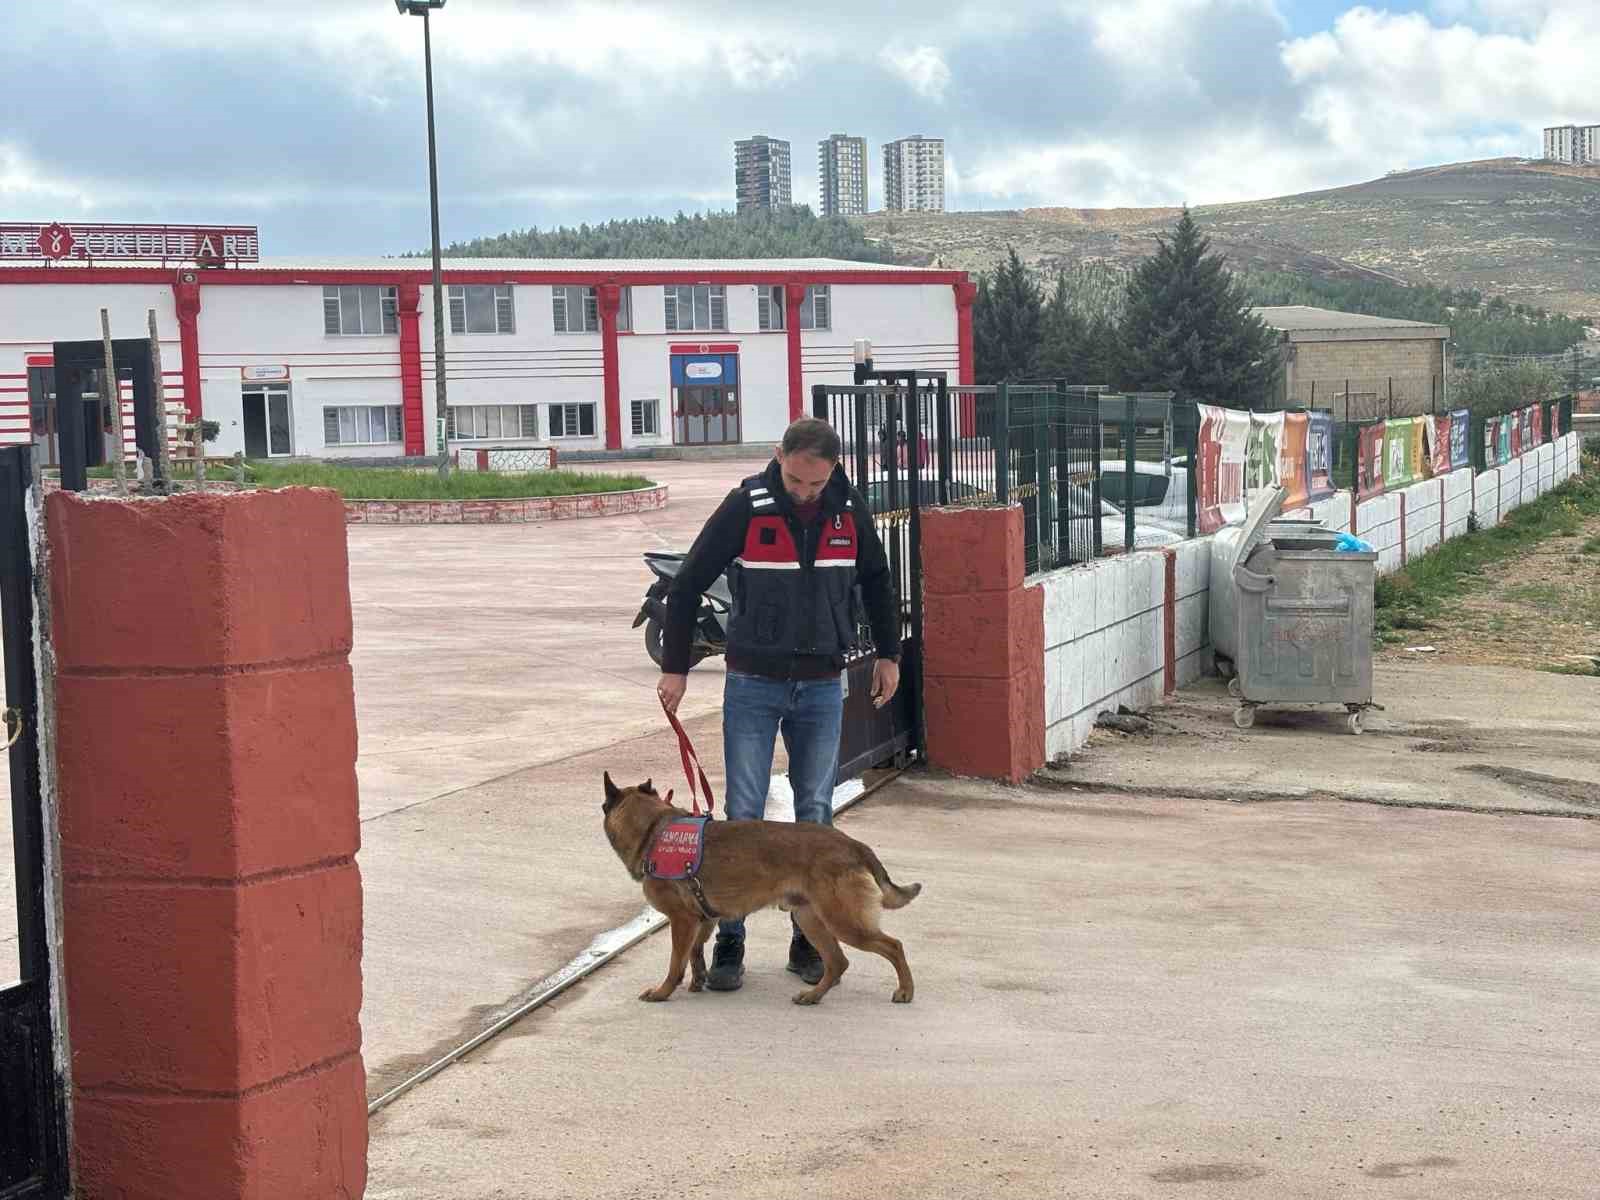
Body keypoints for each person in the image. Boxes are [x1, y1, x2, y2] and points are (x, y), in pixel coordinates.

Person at [657, 417, 901, 992]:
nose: (805, 493)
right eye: (795, 480)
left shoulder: (849, 511)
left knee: (815, 812)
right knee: (743, 815)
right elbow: (687, 584)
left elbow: (877, 581)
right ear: (778, 457)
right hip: (753, 682)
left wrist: (890, 655)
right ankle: (730, 941)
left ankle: (808, 940)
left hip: (822, 684)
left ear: (835, 469)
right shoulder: (746, 505)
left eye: (816, 483)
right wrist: (675, 666)